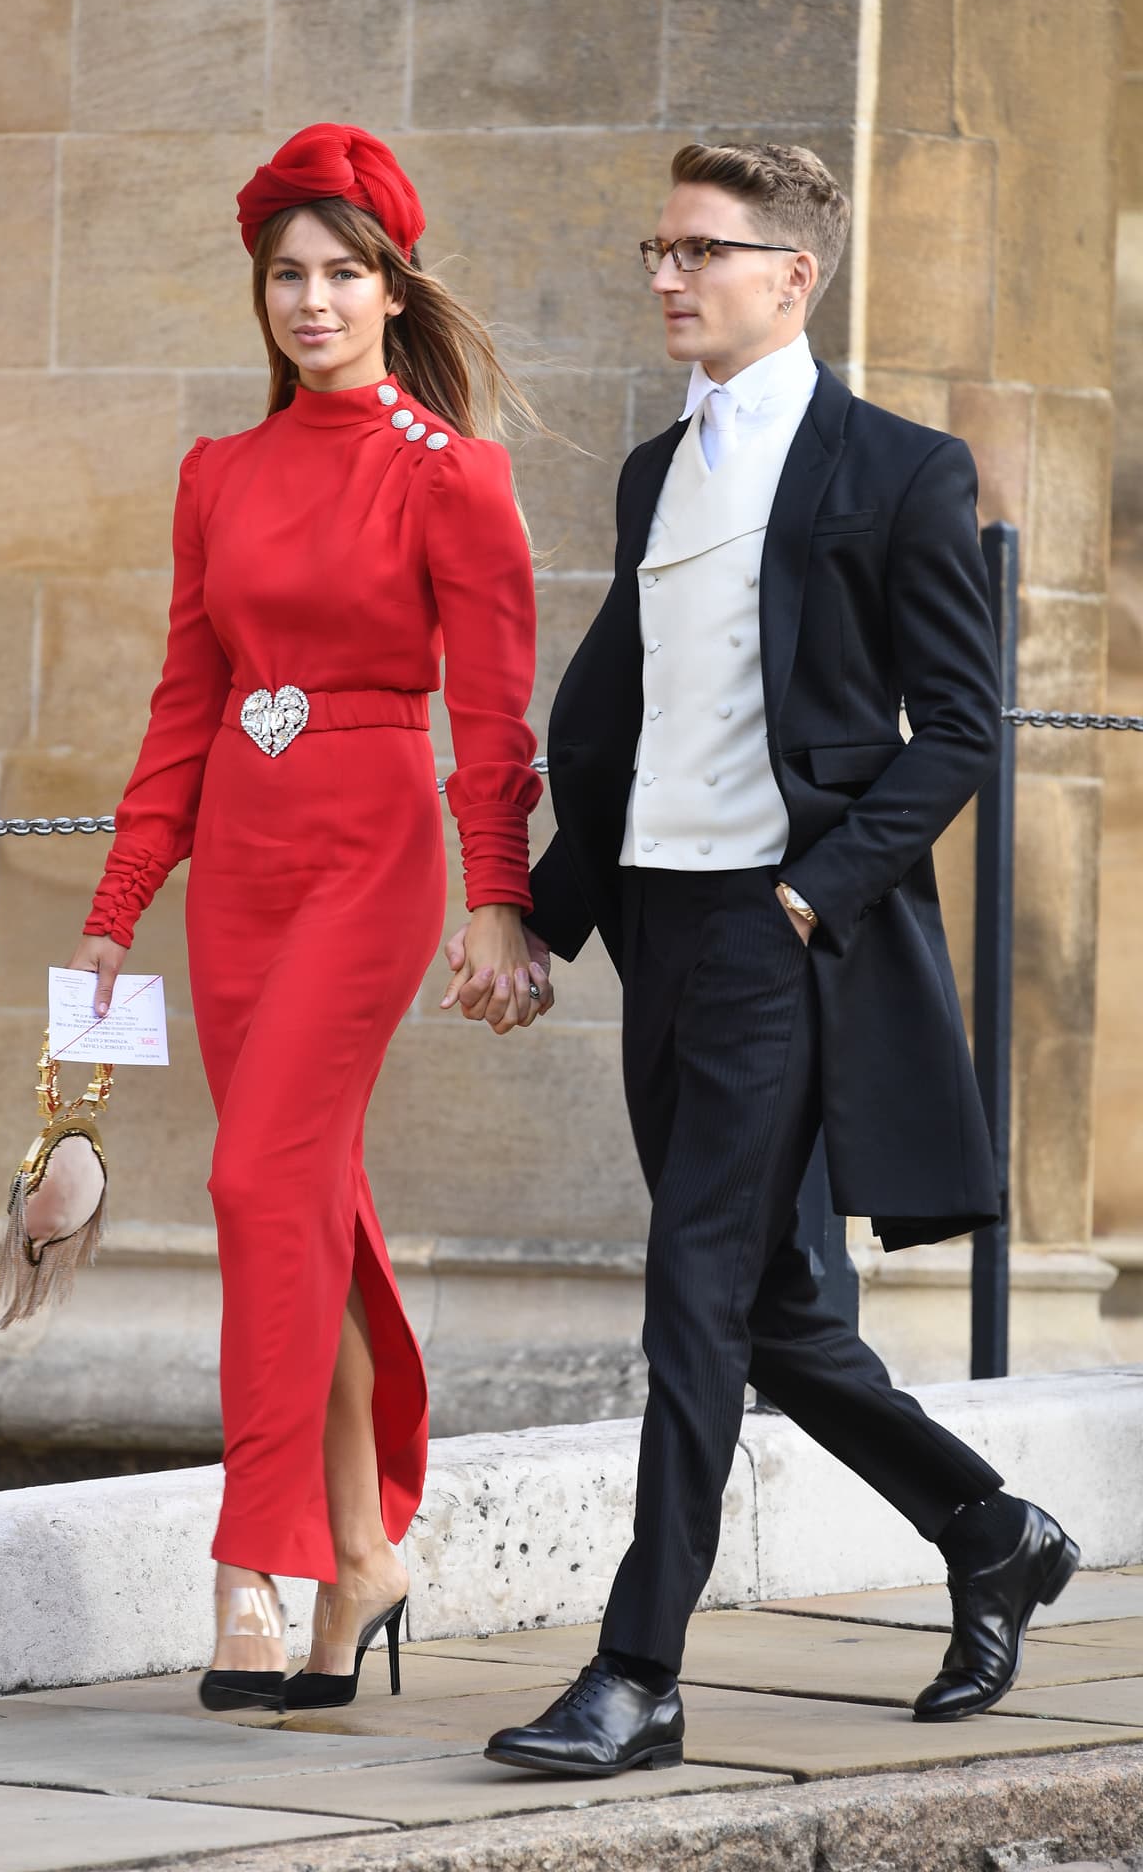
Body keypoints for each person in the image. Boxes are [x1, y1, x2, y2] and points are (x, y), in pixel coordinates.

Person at [443, 140, 1078, 1776]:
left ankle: (638, 1671)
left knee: (693, 1299)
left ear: (794, 276)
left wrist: (813, 895)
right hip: (664, 925)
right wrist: (544, 914)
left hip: (776, 936)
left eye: (702, 251)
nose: (667, 275)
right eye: (659, 247)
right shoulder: (659, 472)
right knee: (778, 1313)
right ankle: (990, 1526)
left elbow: (957, 734)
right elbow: (650, 733)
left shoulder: (900, 470)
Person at [67, 123, 551, 1714]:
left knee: (255, 1174)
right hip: (244, 864)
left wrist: (497, 896)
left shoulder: (451, 477)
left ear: (393, 290)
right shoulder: (220, 475)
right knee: (305, 1207)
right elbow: (179, 706)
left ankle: (251, 1568)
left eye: (345, 274)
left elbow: (492, 718)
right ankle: (361, 1554)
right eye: (289, 275)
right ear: (260, 292)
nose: (315, 301)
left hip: (369, 854)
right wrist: (114, 911)